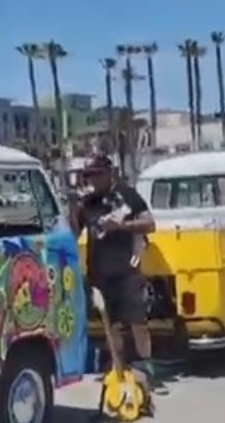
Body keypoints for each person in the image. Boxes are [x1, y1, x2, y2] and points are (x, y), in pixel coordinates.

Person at [71, 154, 165, 396]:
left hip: (127, 270)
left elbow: (149, 224)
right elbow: (72, 232)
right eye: (88, 176)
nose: (93, 180)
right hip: (99, 273)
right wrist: (75, 208)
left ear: (108, 173)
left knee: (137, 322)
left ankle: (148, 371)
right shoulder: (88, 202)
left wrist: (121, 226)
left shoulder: (127, 195)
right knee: (110, 324)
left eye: (96, 174)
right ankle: (118, 369)